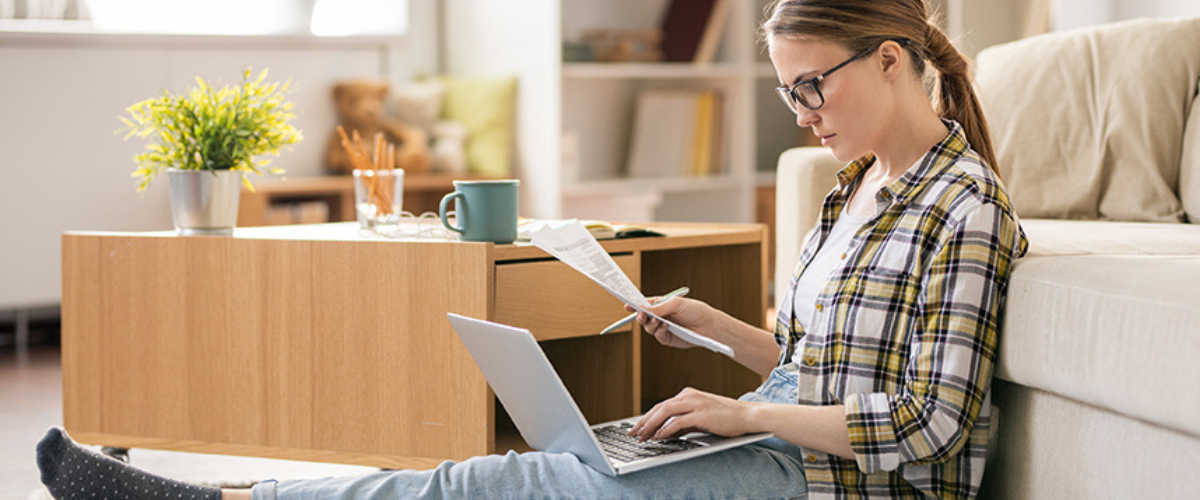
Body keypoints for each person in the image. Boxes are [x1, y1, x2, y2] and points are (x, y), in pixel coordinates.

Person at [35, 1, 1026, 498]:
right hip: (779, 449)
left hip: (836, 486)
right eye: (787, 93)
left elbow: (931, 425)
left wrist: (743, 411)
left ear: (893, 59)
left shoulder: (964, 207)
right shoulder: (854, 188)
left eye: (813, 86)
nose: (801, 113)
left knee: (519, 482)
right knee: (546, 458)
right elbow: (822, 366)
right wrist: (720, 331)